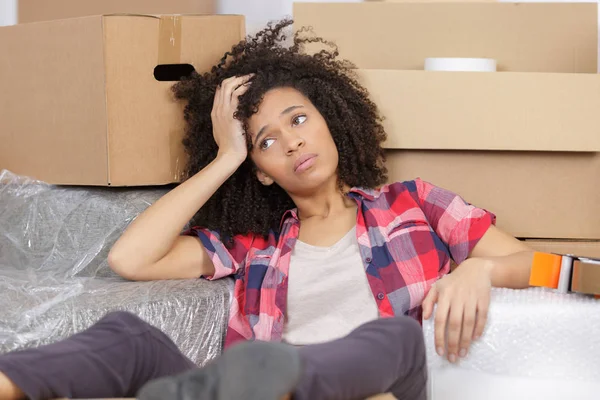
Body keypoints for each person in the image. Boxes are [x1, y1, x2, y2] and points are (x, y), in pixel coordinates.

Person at [0, 19, 535, 400]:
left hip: (377, 385)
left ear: (329, 120)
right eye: (266, 141)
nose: (292, 144)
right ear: (258, 168)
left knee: (392, 336)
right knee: (129, 337)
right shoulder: (252, 241)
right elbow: (130, 260)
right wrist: (225, 155)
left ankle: (268, 378)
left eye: (298, 121)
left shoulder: (413, 203)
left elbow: (546, 268)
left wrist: (478, 269)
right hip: (248, 388)